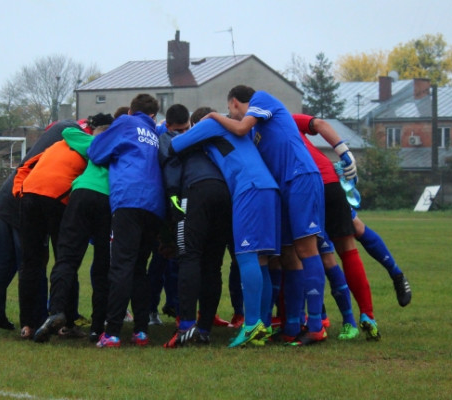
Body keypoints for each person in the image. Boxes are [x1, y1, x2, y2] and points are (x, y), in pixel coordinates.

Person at [204, 85, 327, 346]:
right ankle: (292, 325)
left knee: (306, 248)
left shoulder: (261, 99)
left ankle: (316, 325)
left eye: (229, 110)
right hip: (280, 188)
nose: (231, 115)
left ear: (235, 102)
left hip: (300, 176)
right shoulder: (257, 129)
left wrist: (214, 116)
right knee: (286, 254)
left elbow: (239, 128)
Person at [0, 120, 81, 332]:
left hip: (9, 197)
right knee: (35, 261)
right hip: (27, 199)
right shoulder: (71, 141)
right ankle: (38, 318)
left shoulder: (50, 139)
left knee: (4, 262)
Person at [87, 93, 165, 348]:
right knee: (139, 269)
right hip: (154, 206)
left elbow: (96, 151)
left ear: (131, 111)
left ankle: (112, 332)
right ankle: (141, 331)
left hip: (129, 199)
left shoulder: (126, 123)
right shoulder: (155, 134)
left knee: (120, 266)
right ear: (153, 115)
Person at [32, 113, 115, 343]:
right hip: (109, 200)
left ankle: (57, 311)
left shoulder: (92, 143)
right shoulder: (121, 146)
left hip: (82, 194)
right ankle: (98, 327)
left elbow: (67, 132)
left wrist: (89, 128)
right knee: (102, 264)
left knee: (67, 258)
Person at [158, 104, 234, 347]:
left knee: (189, 256)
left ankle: (186, 326)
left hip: (196, 190)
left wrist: (172, 199)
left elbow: (171, 165)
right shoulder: (216, 139)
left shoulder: (178, 140)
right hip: (224, 194)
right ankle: (204, 329)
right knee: (213, 264)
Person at [12, 125, 89, 339]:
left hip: (29, 196)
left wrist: (20, 191)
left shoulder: (56, 144)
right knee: (66, 260)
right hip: (58, 199)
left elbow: (24, 166)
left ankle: (28, 324)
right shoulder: (94, 149)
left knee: (30, 262)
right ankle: (66, 321)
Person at [293, 113, 363, 340]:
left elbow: (320, 123)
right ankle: (321, 317)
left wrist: (345, 153)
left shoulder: (280, 118)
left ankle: (348, 319)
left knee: (320, 255)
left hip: (315, 186)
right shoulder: (253, 129)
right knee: (311, 255)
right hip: (308, 187)